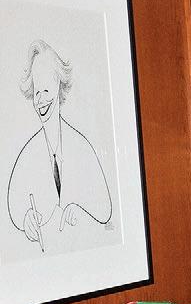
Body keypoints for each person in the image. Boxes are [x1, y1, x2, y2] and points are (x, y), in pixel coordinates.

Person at [7, 40, 112, 251]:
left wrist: (82, 210)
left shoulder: (82, 146)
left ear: (59, 86)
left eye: (46, 89)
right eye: (37, 91)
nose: (41, 99)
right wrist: (26, 218)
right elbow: (14, 204)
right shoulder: (27, 154)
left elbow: (105, 210)